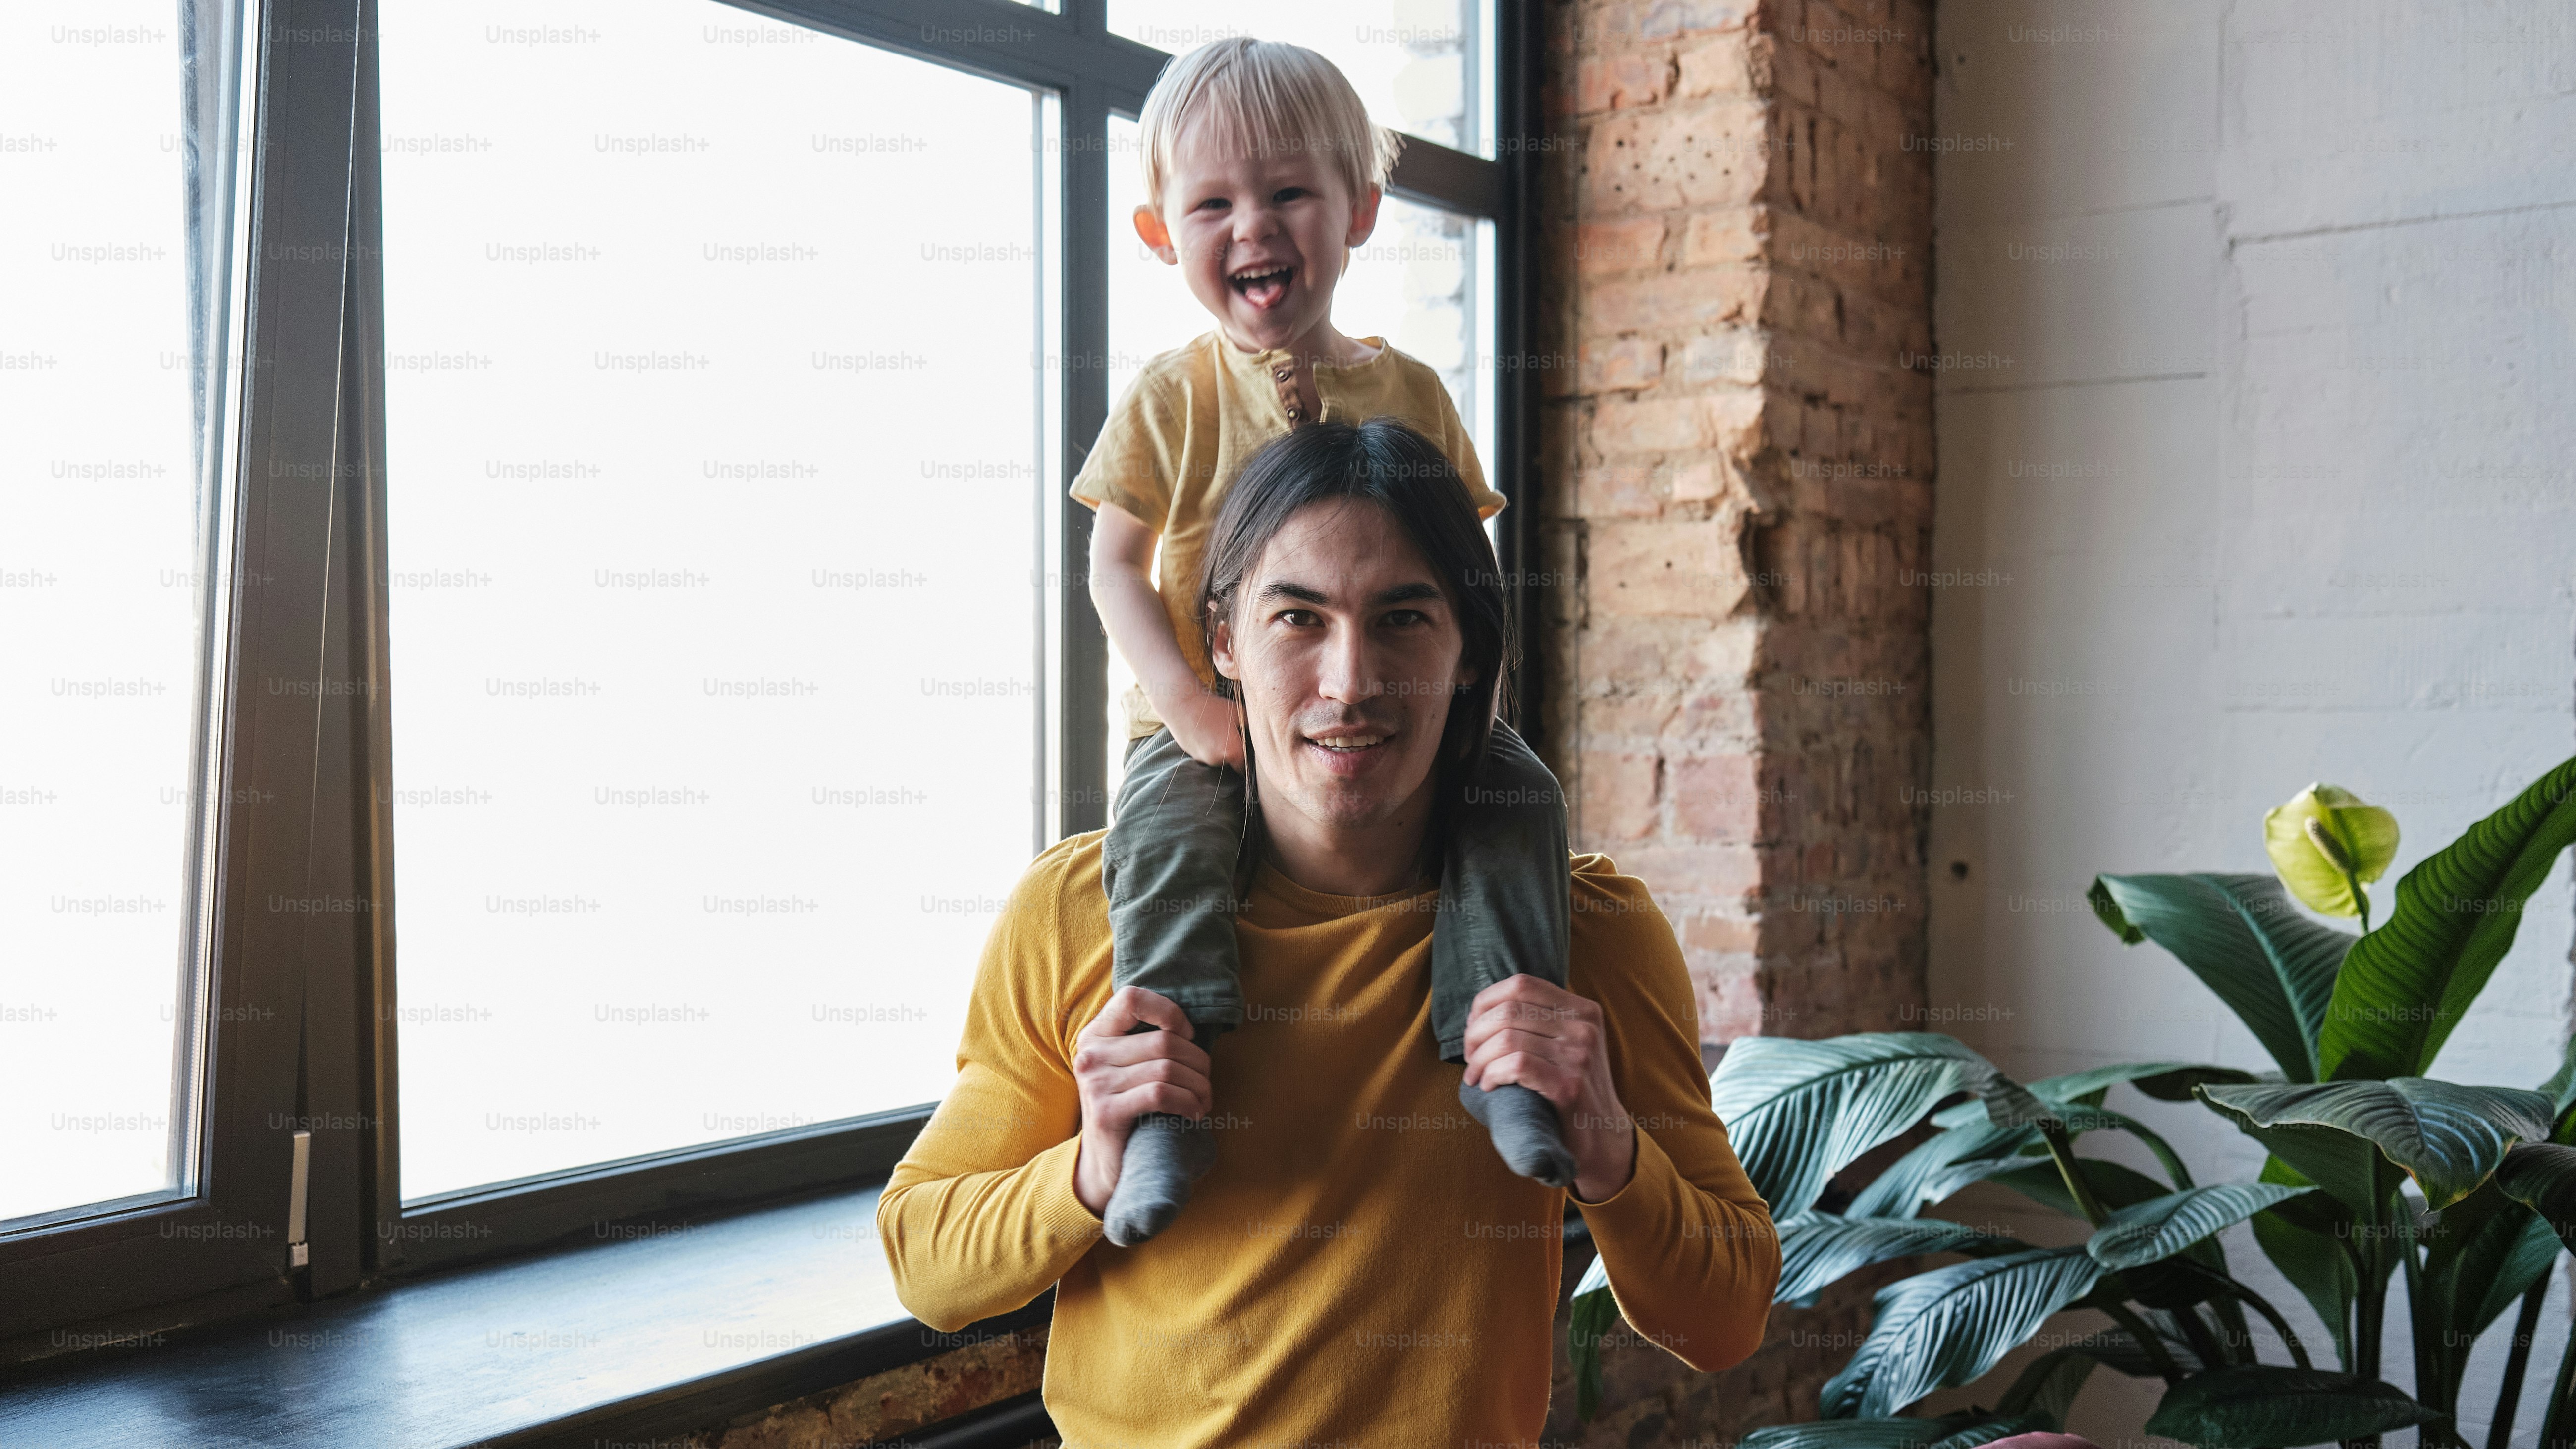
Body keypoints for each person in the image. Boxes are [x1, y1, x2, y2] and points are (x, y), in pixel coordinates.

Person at [878, 419, 1779, 1447]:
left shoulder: (1593, 934)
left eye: (1403, 618)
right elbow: (925, 1263)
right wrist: (1087, 1170)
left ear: (1467, 649)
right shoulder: (1078, 909)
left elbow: (1725, 1320)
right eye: (1298, 618)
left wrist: (1613, 1152)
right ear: (1223, 641)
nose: (1350, 682)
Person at [1075, 34, 1576, 1248]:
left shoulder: (1413, 394)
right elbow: (1112, 567)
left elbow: (1462, 571)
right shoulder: (1173, 397)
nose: (1253, 226)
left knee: (1516, 792)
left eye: (1289, 192)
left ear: (1357, 210)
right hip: (1210, 720)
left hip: (1396, 718)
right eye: (1212, 205)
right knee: (1166, 841)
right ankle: (1166, 1098)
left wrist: (1466, 704)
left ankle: (1500, 1050)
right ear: (1159, 234)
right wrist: (1186, 704)